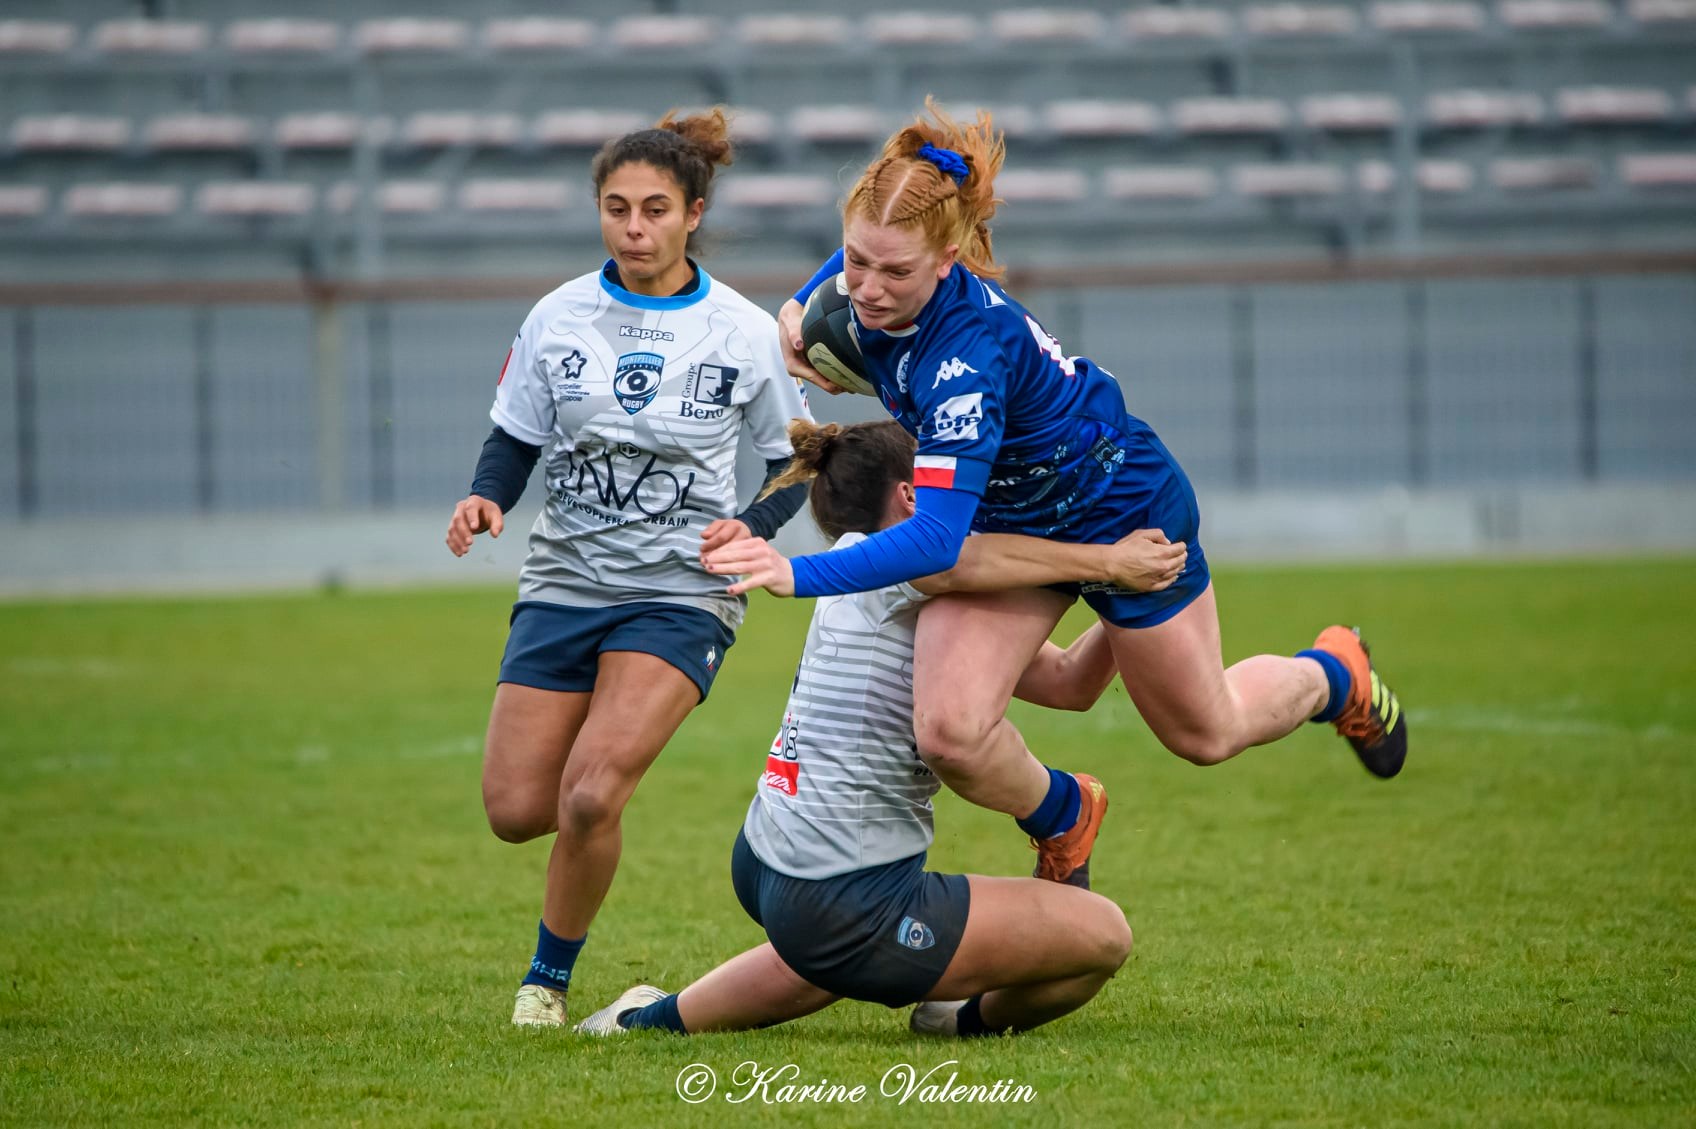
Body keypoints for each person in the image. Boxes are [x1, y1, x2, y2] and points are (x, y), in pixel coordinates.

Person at [703, 101, 1407, 849]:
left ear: (948, 259)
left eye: (895, 271)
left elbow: (938, 539)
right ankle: (1065, 817)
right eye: (855, 261)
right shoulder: (882, 276)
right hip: (1014, 514)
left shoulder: (962, 365)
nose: (868, 289)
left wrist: (794, 571)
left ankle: (1335, 672)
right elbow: (861, 264)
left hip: (1120, 507)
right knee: (952, 730)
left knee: (1206, 731)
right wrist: (796, 305)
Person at [574, 419, 1188, 1039]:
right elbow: (996, 560)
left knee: (820, 956)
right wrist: (1109, 559)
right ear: (912, 496)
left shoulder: (857, 563)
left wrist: (1124, 593)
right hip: (840, 895)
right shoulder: (921, 571)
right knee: (1104, 935)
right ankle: (955, 1019)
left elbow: (1068, 683)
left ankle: (640, 1022)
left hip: (767, 859)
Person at [444, 108, 812, 1027]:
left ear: (693, 213)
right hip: (565, 582)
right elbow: (516, 434)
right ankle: (583, 806)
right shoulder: (557, 315)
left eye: (654, 208)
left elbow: (797, 455)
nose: (634, 226)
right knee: (517, 807)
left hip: (682, 591)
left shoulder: (741, 330)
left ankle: (545, 983)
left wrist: (752, 526)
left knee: (592, 790)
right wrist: (486, 495)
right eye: (617, 208)